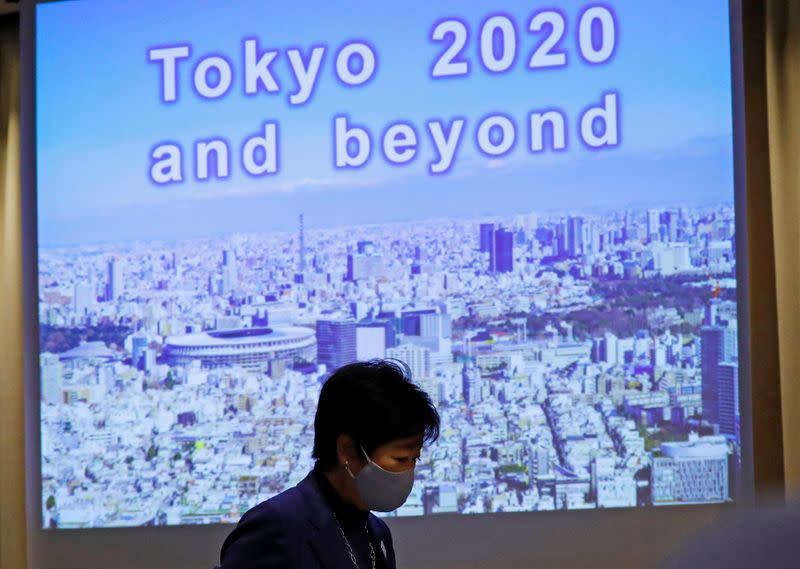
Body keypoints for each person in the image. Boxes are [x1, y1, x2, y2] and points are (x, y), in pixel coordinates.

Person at [219, 359, 440, 569]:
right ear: (347, 449)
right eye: (400, 459)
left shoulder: (377, 532)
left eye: (415, 459)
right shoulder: (276, 526)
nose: (409, 471)